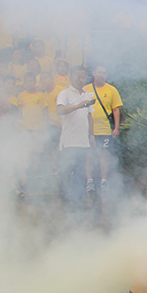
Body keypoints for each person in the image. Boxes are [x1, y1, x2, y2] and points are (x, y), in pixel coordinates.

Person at [56, 66, 95, 206]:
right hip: (69, 141)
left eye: (83, 77)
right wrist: (78, 106)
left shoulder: (87, 94)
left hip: (83, 142)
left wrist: (92, 135)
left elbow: (90, 116)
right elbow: (59, 110)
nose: (80, 80)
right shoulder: (64, 93)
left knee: (80, 173)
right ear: (70, 77)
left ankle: (77, 200)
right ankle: (66, 200)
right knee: (66, 173)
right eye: (77, 76)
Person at [83, 65, 122, 193]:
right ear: (94, 73)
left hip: (105, 129)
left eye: (104, 73)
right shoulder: (85, 90)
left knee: (103, 155)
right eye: (99, 72)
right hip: (89, 130)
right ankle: (89, 181)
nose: (102, 75)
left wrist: (116, 127)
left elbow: (116, 109)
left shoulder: (111, 90)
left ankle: (103, 181)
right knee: (89, 155)